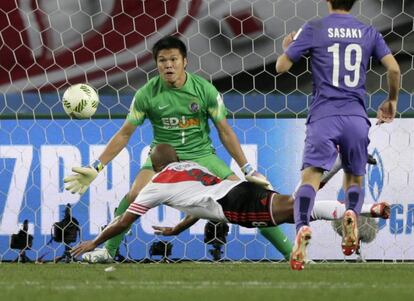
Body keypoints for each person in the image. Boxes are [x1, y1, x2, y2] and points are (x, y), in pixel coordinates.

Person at [64, 35, 292, 263]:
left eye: (173, 59)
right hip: (163, 158)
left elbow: (225, 131)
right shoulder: (146, 94)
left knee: (248, 196)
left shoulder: (204, 90)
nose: (168, 65)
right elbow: (125, 133)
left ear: (185, 62)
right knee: (134, 195)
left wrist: (247, 168)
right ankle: (107, 251)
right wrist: (97, 166)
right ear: (156, 64)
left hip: (202, 155)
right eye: (162, 60)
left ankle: (293, 254)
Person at [70, 144, 390, 259]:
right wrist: (180, 228)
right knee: (297, 206)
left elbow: (124, 220)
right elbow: (198, 204)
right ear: (177, 158)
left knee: (295, 207)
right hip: (239, 190)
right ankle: (358, 201)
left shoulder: (155, 185)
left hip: (235, 205)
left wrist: (94, 241)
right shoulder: (191, 168)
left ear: (154, 166)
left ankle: (352, 191)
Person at [275, 0, 400, 270]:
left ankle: (302, 227)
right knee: (354, 178)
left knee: (310, 178)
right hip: (356, 117)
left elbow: (281, 67)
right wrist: (391, 100)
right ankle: (352, 213)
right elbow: (394, 69)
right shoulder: (369, 32)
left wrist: (289, 49)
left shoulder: (314, 28)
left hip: (324, 117)